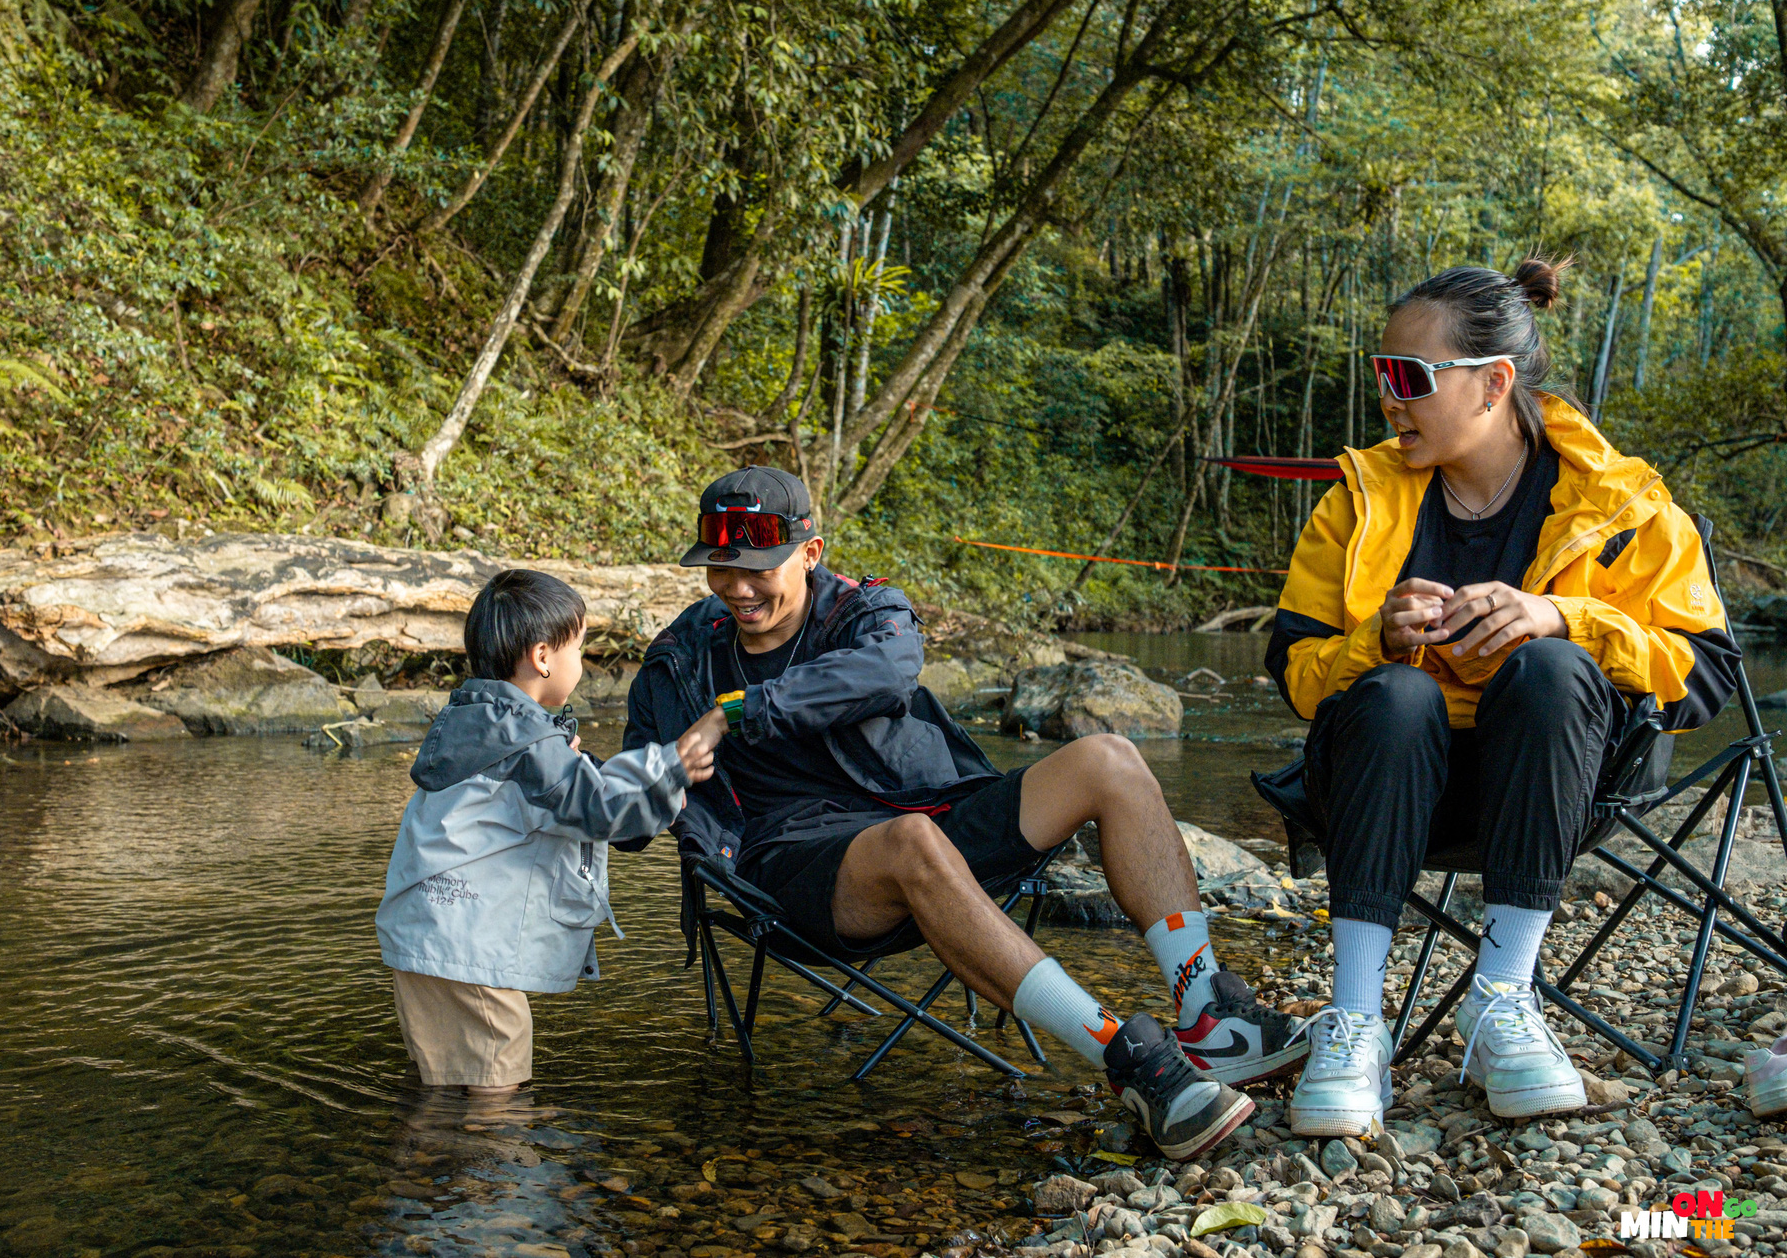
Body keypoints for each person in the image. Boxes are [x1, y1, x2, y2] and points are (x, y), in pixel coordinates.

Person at [624, 466, 1309, 1160]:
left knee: (1112, 759)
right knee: (911, 842)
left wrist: (738, 712)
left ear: (811, 551)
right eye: (720, 566)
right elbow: (628, 818)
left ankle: (1206, 1012)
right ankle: (1124, 1057)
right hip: (792, 869)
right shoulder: (680, 660)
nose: (738, 587)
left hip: (929, 812)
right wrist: (603, 777)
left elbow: (889, 670)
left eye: (758, 567)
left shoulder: (865, 610)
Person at [1269, 258, 1738, 1135]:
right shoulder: (1359, 498)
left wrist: (1565, 616)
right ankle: (1355, 1020)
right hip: (1389, 783)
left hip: (1554, 788)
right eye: (1382, 377)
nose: (1389, 401)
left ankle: (1500, 1002)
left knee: (1550, 668)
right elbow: (1295, 671)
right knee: (1399, 692)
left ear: (1493, 384)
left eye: (1409, 378)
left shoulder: (1622, 502)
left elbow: (1705, 672)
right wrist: (1377, 637)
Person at [378, 569, 723, 1092]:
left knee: (444, 1084)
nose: (581, 666)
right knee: (499, 1082)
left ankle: (423, 1166)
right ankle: (498, 1167)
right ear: (543, 658)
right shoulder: (528, 743)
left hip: (422, 934)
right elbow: (597, 809)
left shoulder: (472, 721)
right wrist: (670, 766)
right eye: (579, 651)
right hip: (468, 953)